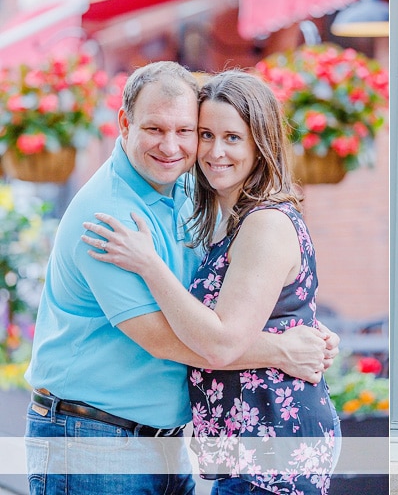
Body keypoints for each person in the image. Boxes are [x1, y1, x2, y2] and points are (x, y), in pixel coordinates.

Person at [24, 62, 337, 495]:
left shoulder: (191, 191)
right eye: (155, 128)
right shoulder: (109, 216)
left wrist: (296, 326)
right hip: (94, 440)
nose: (172, 146)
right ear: (125, 124)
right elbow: (163, 336)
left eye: (188, 131)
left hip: (179, 445)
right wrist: (282, 348)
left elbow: (223, 302)